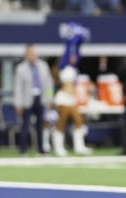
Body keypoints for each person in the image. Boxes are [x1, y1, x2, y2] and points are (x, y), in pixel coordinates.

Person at [54, 23, 93, 155]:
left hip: (71, 98)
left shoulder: (73, 67)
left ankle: (79, 146)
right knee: (62, 122)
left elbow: (77, 51)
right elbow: (68, 49)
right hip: (63, 97)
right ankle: (59, 147)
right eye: (71, 55)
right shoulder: (63, 66)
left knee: (78, 121)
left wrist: (79, 39)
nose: (73, 57)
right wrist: (71, 38)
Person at [14, 44, 54, 155]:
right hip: (27, 100)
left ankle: (41, 149)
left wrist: (49, 99)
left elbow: (49, 85)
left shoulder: (44, 66)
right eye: (30, 54)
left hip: (40, 99)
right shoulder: (21, 68)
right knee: (25, 126)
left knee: (40, 125)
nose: (32, 56)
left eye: (33, 54)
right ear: (26, 55)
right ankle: (23, 150)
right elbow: (18, 87)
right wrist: (18, 103)